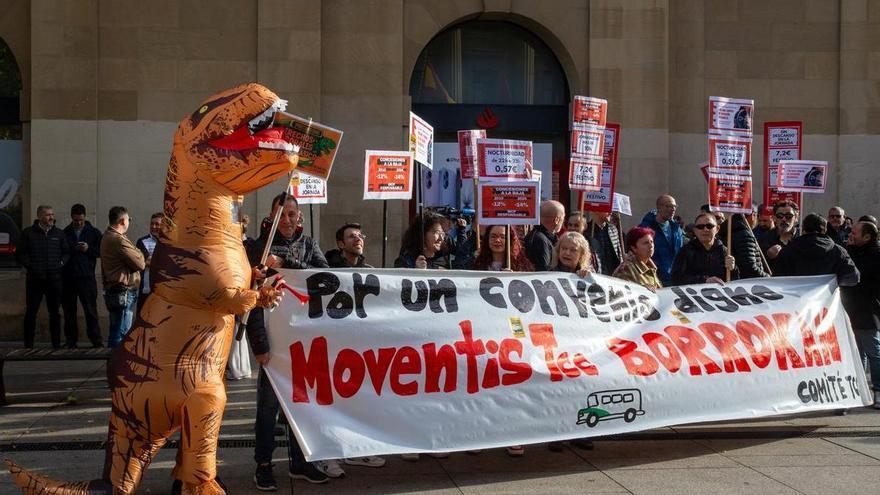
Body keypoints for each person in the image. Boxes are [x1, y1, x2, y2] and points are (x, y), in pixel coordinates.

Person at [470, 225, 532, 456]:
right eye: (493, 236)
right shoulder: (474, 265)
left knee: (513, 382)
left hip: (512, 329)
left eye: (503, 236)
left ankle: (513, 434)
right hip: (484, 330)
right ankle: (479, 435)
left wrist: (516, 281)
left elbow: (530, 300)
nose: (497, 240)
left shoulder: (523, 266)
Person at [16, 205, 69, 348]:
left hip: (54, 279)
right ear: (39, 216)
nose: (51, 217)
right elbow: (20, 253)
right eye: (47, 215)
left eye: (52, 214)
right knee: (31, 312)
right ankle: (28, 345)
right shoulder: (28, 233)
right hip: (35, 280)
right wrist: (31, 266)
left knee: (55, 313)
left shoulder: (59, 234)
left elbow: (66, 252)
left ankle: (56, 345)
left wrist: (62, 262)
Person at [841, 221, 880, 409]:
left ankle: (878, 391)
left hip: (868, 310)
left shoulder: (876, 255)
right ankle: (859, 390)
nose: (850, 234)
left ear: (867, 237)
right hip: (852, 309)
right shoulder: (853, 251)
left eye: (855, 232)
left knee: (874, 352)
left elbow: (859, 276)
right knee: (858, 353)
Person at [100, 206, 145, 348]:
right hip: (123, 291)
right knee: (122, 333)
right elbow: (140, 263)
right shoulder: (118, 240)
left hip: (115, 289)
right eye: (128, 219)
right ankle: (116, 366)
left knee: (116, 330)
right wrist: (139, 252)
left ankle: (113, 365)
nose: (129, 222)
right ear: (122, 221)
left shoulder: (107, 236)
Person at [773, 213, 859, 287]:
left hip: (796, 302)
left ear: (803, 229)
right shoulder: (838, 251)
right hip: (825, 302)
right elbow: (853, 277)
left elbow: (778, 278)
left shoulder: (788, 250)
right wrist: (832, 283)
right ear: (825, 230)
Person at [61, 204, 103, 348]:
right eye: (76, 220)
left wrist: (88, 249)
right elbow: (62, 251)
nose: (79, 223)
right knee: (69, 311)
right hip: (69, 277)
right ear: (72, 218)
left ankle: (96, 340)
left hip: (87, 277)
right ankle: (71, 340)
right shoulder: (65, 232)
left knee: (90, 310)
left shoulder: (93, 232)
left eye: (81, 220)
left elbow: (102, 250)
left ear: (85, 217)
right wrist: (74, 249)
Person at [671, 212, 737, 285]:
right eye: (700, 227)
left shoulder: (725, 251)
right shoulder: (686, 251)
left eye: (709, 226)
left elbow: (735, 280)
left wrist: (733, 269)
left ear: (717, 229)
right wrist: (705, 280)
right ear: (695, 231)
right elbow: (676, 278)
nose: (705, 229)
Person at [639, 195, 682, 286]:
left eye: (674, 206)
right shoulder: (645, 228)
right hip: (653, 279)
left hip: (674, 279)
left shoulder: (676, 228)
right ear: (659, 207)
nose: (672, 209)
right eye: (668, 206)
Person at [720, 213, 770, 279]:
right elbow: (750, 268)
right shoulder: (744, 235)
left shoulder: (729, 230)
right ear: (753, 215)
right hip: (748, 283)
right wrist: (767, 277)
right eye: (757, 216)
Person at [613, 226, 662, 292]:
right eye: (646, 243)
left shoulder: (651, 268)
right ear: (634, 248)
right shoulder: (625, 269)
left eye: (651, 242)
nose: (651, 246)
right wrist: (642, 290)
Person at [760, 199, 800, 276]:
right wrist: (767, 256)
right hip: (773, 284)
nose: (784, 219)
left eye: (788, 216)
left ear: (796, 218)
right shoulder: (766, 238)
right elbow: (757, 264)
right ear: (774, 218)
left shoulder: (802, 237)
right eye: (780, 216)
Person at [525, 200, 565, 271]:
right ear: (557, 220)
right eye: (563, 218)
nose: (563, 222)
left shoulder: (537, 236)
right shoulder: (540, 240)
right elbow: (543, 271)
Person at [135, 212, 163, 313]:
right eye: (152, 224)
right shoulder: (142, 241)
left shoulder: (169, 243)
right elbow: (139, 263)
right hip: (145, 290)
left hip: (163, 291)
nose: (153, 226)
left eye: (157, 224)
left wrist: (152, 261)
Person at [585, 211, 623, 275]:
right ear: (596, 210)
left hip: (613, 276)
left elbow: (619, 253)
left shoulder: (613, 229)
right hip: (596, 274)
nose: (610, 212)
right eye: (607, 209)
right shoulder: (586, 230)